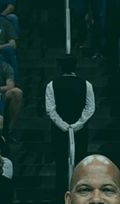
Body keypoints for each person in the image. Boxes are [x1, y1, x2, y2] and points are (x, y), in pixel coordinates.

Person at [45, 56, 96, 193]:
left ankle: (62, 195)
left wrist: (64, 125)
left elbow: (50, 109)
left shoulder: (52, 84)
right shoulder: (86, 84)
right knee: (78, 160)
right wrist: (78, 124)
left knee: (61, 163)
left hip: (60, 129)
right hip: (78, 129)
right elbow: (90, 108)